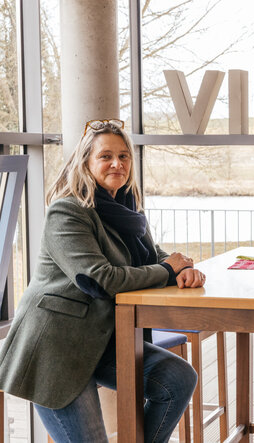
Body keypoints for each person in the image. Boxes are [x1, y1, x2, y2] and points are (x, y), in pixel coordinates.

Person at [0, 119, 204, 442]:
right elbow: (101, 279)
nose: (116, 163)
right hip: (57, 349)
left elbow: (152, 257)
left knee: (178, 378)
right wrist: (167, 269)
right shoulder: (67, 211)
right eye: (106, 156)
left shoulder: (128, 212)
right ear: (86, 162)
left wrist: (182, 269)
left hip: (101, 340)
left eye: (123, 157)